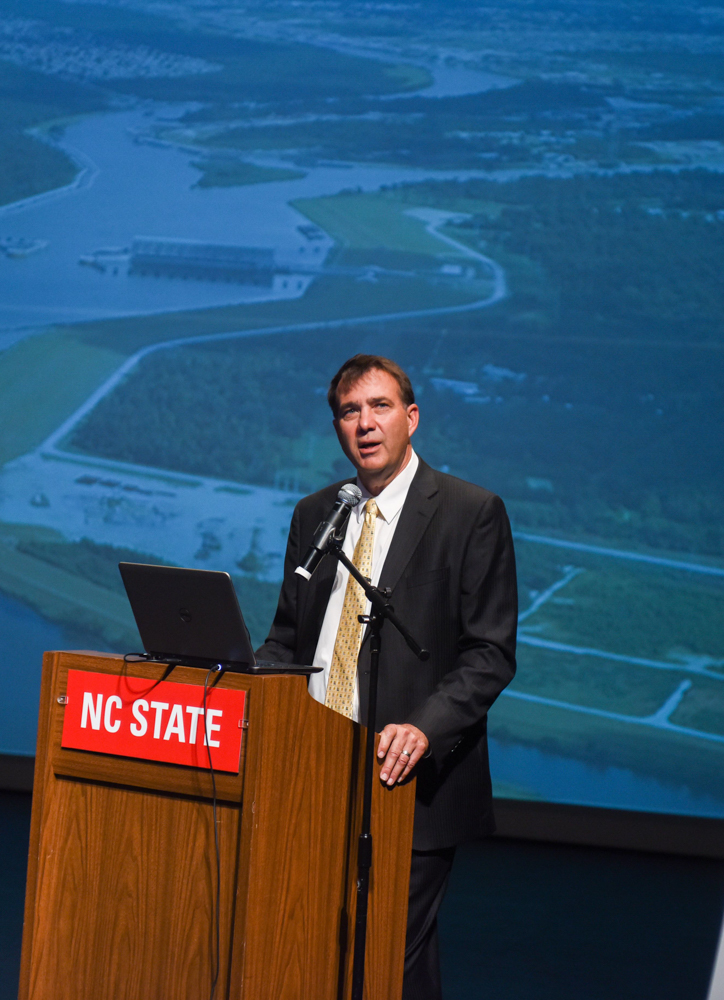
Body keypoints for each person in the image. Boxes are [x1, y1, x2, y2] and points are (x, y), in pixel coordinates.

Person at [255, 354, 517, 1000]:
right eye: (349, 411)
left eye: (379, 407)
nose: (364, 423)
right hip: (314, 776)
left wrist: (425, 729)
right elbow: (288, 640)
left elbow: (490, 652)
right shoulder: (315, 514)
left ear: (412, 418)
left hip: (408, 781)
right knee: (338, 951)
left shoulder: (469, 512)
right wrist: (230, 674)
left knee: (385, 956)